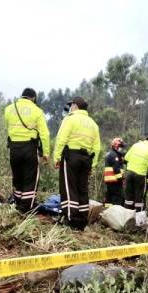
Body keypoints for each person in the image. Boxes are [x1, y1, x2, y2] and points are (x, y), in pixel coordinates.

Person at [53, 96, 101, 230]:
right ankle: (82, 220)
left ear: (75, 106)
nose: (70, 108)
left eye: (71, 105)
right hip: (86, 159)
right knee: (82, 189)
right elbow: (97, 147)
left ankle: (70, 218)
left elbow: (61, 139)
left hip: (71, 157)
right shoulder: (93, 124)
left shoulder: (70, 118)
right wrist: (92, 164)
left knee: (69, 188)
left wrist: (57, 158)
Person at [4, 88, 51, 213]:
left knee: (17, 176)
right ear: (33, 98)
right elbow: (45, 134)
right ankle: (26, 208)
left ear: (22, 96)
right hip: (29, 148)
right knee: (30, 178)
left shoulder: (9, 109)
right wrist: (46, 153)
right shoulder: (37, 111)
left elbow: (7, 127)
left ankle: (18, 203)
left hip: (14, 148)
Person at [123, 139, 148, 211]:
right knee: (139, 197)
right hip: (140, 176)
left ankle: (127, 215)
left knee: (129, 197)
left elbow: (126, 158)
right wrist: (144, 163)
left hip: (129, 173)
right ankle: (138, 217)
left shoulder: (135, 145)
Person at [103, 137, 126, 207]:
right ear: (116, 146)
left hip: (110, 181)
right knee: (117, 199)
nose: (122, 149)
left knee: (109, 198)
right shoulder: (114, 155)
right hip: (115, 181)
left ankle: (107, 212)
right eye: (121, 147)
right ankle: (115, 215)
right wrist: (121, 179)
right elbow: (116, 169)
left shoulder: (110, 154)